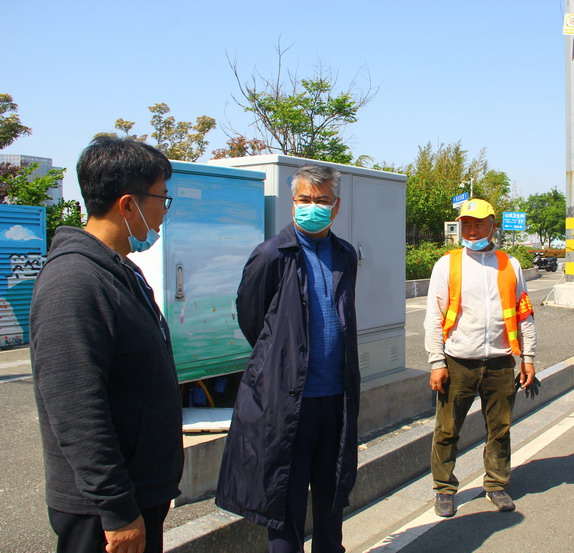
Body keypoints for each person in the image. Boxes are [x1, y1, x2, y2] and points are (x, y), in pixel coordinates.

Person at [30, 136, 182, 553]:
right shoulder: (74, 282)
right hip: (103, 512)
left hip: (136, 495)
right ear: (128, 205)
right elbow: (76, 410)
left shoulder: (120, 271)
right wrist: (117, 509)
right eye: (162, 199)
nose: (164, 212)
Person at [215, 165, 360, 553]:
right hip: (286, 404)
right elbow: (253, 321)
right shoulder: (270, 255)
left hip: (336, 400)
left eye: (322, 200)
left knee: (332, 497)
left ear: (336, 206)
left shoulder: (345, 255)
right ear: (293, 203)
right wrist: (283, 358)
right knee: (284, 502)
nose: (313, 206)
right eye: (304, 199)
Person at [424, 198, 537, 517]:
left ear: (492, 226)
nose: (472, 230)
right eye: (466, 224)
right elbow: (434, 316)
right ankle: (444, 488)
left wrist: (528, 356)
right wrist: (437, 362)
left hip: (501, 361)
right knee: (447, 428)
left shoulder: (509, 264)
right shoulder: (447, 264)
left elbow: (525, 313)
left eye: (478, 224)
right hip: (458, 360)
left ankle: (496, 483)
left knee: (500, 427)